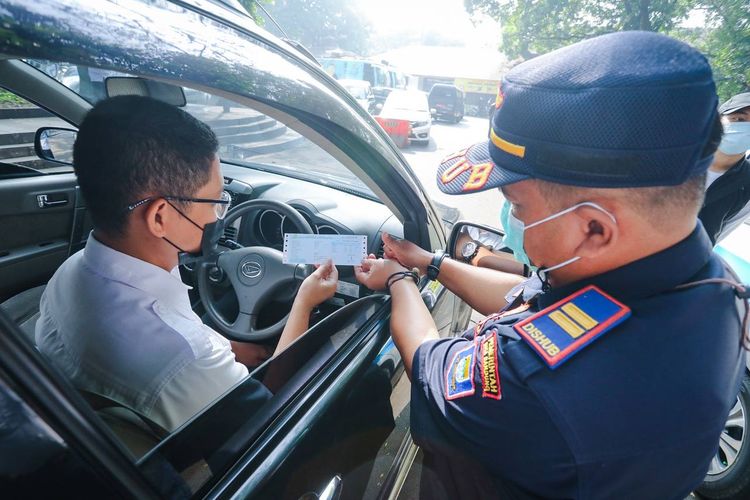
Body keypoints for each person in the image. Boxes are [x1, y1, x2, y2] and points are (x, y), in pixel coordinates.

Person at [355, 31, 747, 499]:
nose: (514, 222)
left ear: (594, 229)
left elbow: (426, 359)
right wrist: (430, 262)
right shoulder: (709, 285)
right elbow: (532, 301)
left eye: (518, 208)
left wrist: (398, 278)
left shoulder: (533, 385)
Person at [35, 95, 338, 433]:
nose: (220, 213)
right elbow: (265, 418)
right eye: (216, 201)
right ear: (160, 217)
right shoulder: (184, 360)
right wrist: (304, 303)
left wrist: (231, 348)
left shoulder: (71, 273)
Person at [698, 92, 750, 244]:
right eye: (739, 119)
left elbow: (719, 235)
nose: (746, 129)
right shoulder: (677, 156)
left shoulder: (746, 185)